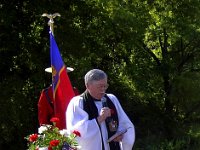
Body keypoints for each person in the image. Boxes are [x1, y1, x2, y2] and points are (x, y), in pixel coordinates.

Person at [66, 69, 135, 150]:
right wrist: (100, 118)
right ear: (88, 86)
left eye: (105, 86)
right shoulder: (78, 103)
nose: (103, 89)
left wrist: (121, 135)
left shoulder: (111, 99)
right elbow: (76, 132)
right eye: (99, 86)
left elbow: (125, 124)